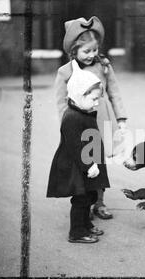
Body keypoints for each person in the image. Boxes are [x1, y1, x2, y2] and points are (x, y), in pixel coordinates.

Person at [54, 16, 128, 220]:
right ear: (73, 51)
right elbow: (61, 102)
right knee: (84, 163)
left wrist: (121, 118)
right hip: (78, 123)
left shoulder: (103, 65)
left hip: (102, 119)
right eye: (86, 51)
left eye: (94, 50)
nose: (91, 55)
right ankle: (84, 204)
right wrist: (66, 126)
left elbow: (114, 92)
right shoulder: (65, 72)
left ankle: (100, 202)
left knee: (100, 162)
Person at [47, 59, 110, 244]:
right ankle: (77, 232)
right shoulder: (72, 118)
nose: (96, 104)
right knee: (81, 198)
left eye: (98, 99)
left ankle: (86, 225)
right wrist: (89, 164)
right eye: (93, 99)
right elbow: (76, 147)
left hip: (89, 163)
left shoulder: (84, 111)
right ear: (78, 95)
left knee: (90, 195)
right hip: (78, 165)